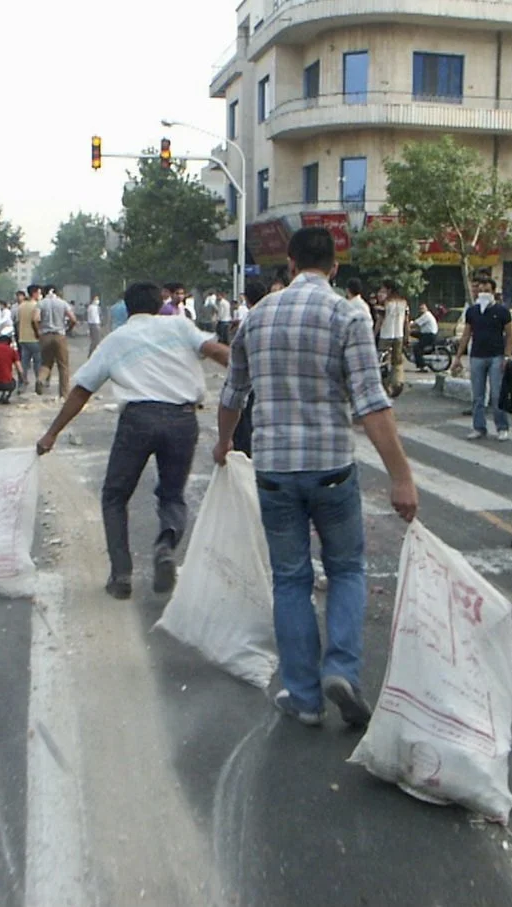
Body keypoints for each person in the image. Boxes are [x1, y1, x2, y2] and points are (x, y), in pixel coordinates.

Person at [214, 227, 419, 728]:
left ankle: (303, 697)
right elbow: (371, 403)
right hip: (330, 468)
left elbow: (232, 394)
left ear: (288, 262)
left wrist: (222, 445)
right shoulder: (348, 313)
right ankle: (342, 670)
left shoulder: (257, 317)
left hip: (274, 471)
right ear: (334, 267)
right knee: (346, 570)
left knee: (290, 580)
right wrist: (401, 478)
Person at [36, 281, 230, 599]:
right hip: (182, 420)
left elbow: (82, 389)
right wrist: (255, 372)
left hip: (137, 421)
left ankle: (121, 576)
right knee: (172, 495)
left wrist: (51, 433)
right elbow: (218, 352)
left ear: (126, 309)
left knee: (115, 496)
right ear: (160, 304)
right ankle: (165, 545)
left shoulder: (116, 340)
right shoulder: (181, 326)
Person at [452, 275, 512, 441]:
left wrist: (507, 357)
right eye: (480, 290)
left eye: (487, 290)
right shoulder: (473, 311)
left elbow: (509, 336)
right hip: (477, 356)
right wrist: (458, 357)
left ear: (493, 292)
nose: (483, 293)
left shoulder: (502, 311)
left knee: (496, 394)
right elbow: (466, 335)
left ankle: (502, 427)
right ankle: (479, 427)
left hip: (496, 356)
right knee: (477, 395)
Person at [230, 280, 268, 457]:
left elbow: (237, 350)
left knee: (245, 416)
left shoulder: (248, 317)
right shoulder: (270, 315)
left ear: (246, 298)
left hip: (250, 376)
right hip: (266, 377)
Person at [34, 285, 76, 397]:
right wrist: (68, 329)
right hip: (59, 335)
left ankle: (40, 379)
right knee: (63, 366)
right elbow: (73, 319)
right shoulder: (62, 303)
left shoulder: (41, 303)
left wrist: (38, 331)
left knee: (46, 363)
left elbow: (35, 319)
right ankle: (64, 394)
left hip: (45, 336)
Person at [377, 280, 409, 397]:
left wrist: (373, 333)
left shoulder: (385, 303)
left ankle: (385, 387)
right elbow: (406, 321)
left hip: (385, 335)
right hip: (398, 335)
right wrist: (407, 335)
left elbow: (380, 321)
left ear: (389, 290)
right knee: (397, 362)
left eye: (384, 289)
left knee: (382, 361)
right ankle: (397, 384)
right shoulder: (404, 303)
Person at [18, 285, 43, 387]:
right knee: (38, 363)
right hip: (34, 338)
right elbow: (35, 320)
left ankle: (21, 384)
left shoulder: (21, 305)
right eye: (39, 293)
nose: (40, 295)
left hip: (23, 337)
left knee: (24, 363)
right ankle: (38, 383)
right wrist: (38, 333)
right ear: (35, 293)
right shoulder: (36, 306)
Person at [411, 302, 438, 371]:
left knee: (416, 348)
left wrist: (406, 326)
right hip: (426, 334)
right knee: (412, 333)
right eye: (420, 308)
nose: (421, 310)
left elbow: (415, 324)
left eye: (423, 308)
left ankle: (422, 366)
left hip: (429, 335)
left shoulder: (426, 315)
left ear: (426, 308)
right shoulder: (426, 315)